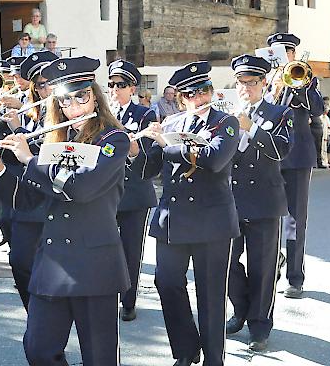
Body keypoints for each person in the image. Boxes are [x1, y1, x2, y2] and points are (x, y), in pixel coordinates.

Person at [0, 56, 130, 365]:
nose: (74, 107)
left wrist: (31, 161)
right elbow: (28, 201)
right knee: (38, 349)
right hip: (52, 261)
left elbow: (82, 189)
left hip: (94, 263)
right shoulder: (54, 140)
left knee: (99, 357)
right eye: (65, 101)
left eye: (81, 97)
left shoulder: (114, 139)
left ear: (95, 97)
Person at [140, 61, 240, 366]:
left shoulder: (227, 122)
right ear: (181, 98)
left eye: (205, 90)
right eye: (193, 93)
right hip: (173, 220)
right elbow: (150, 170)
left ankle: (213, 359)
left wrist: (166, 145)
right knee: (166, 282)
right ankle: (185, 349)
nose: (201, 97)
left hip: (212, 223)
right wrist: (143, 145)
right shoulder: (170, 124)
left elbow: (214, 159)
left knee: (211, 295)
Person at [225, 55, 294, 352]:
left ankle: (259, 326)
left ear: (264, 84)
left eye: (252, 83)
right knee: (225, 261)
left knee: (263, 268)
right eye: (241, 83)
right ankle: (241, 308)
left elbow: (281, 150)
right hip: (230, 201)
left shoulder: (280, 113)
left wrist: (252, 127)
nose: (245, 89)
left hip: (265, 201)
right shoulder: (226, 114)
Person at [0, 50, 58, 311]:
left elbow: (46, 151)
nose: (43, 89)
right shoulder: (27, 109)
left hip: (58, 201)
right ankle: (36, 315)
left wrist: (18, 130)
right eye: (39, 84)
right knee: (21, 262)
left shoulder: (69, 113)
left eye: (47, 83)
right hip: (27, 198)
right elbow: (14, 151)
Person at [266, 33, 324, 299]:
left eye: (285, 52)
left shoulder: (306, 78)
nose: (281, 57)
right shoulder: (265, 82)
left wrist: (299, 86)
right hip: (269, 157)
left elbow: (316, 110)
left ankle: (295, 278)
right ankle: (273, 261)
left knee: (294, 220)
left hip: (298, 157)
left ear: (292, 55)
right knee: (266, 216)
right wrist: (273, 89)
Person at [107, 60, 157, 322]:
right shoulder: (102, 112)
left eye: (121, 85)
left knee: (131, 250)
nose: (115, 89)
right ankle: (106, 293)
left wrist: (119, 129)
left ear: (132, 88)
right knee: (104, 246)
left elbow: (148, 156)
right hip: (106, 191)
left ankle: (128, 300)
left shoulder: (145, 115)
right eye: (112, 84)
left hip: (134, 193)